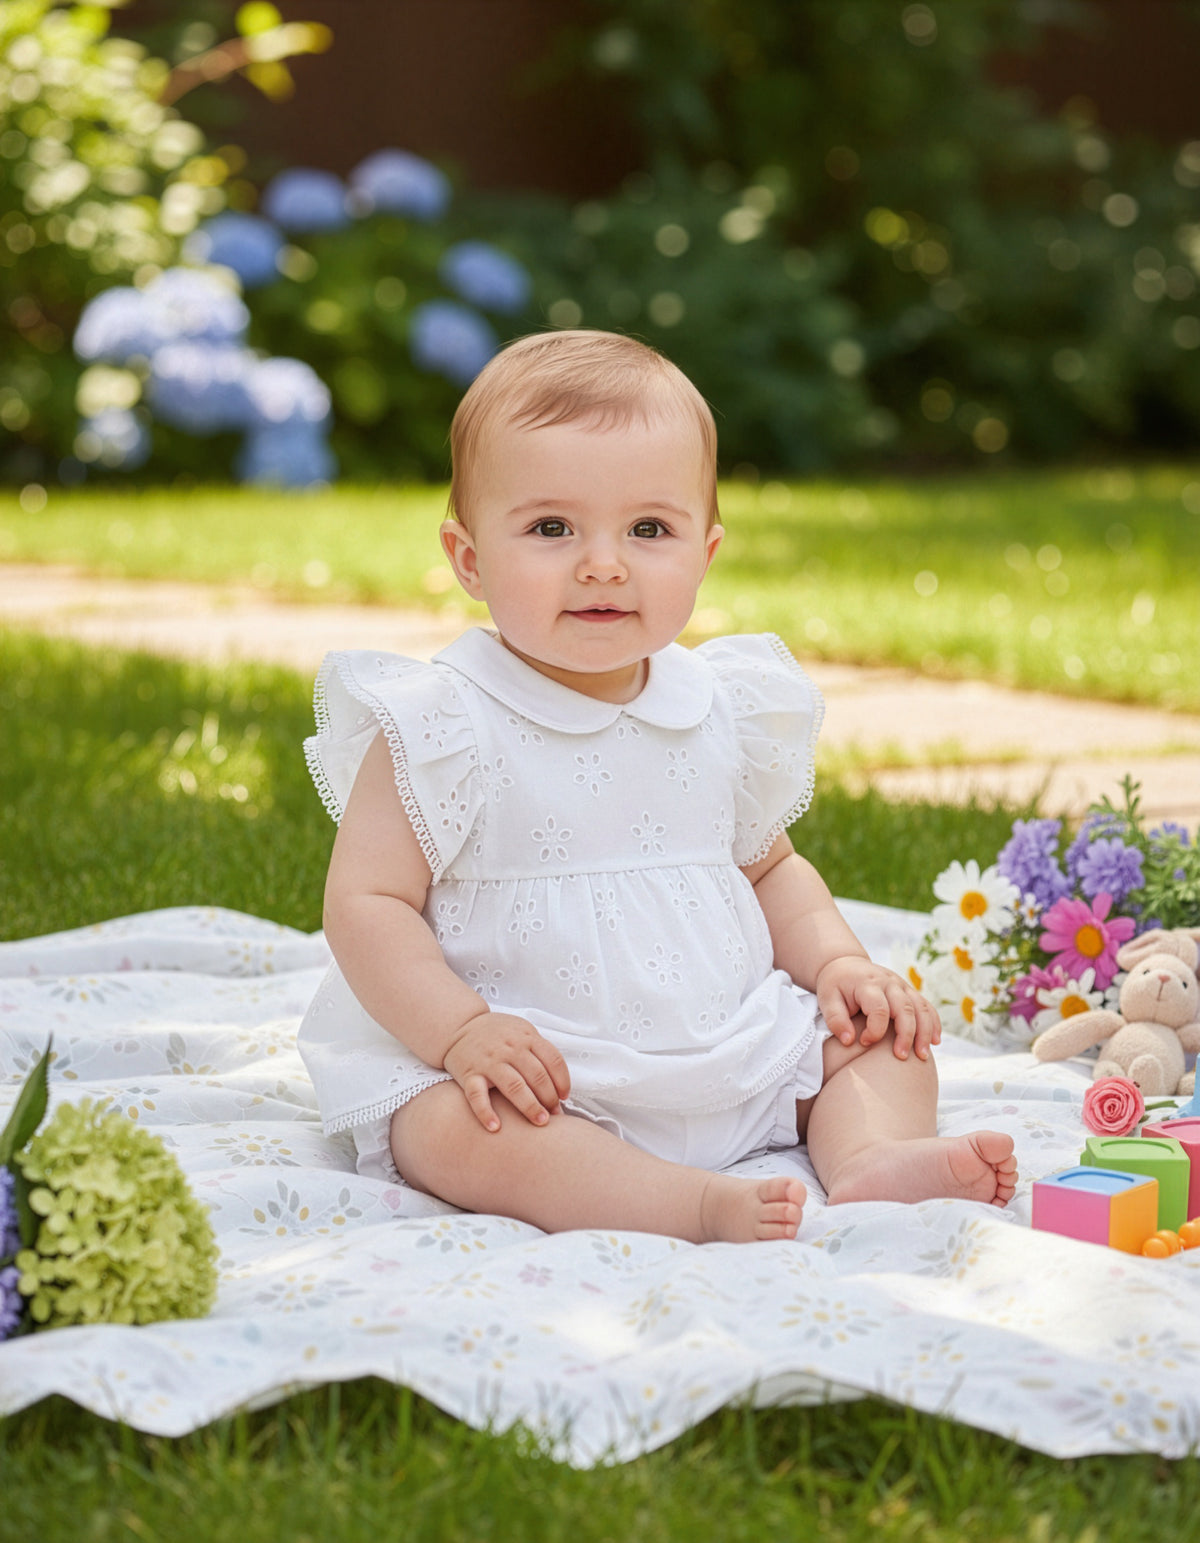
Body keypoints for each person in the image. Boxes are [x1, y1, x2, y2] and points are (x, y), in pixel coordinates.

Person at [298, 329, 1017, 1244]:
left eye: (648, 530)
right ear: (468, 557)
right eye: (552, 529)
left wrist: (840, 964)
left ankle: (871, 1155)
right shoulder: (443, 720)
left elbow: (770, 869)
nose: (603, 563)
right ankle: (683, 1203)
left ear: (704, 553)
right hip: (539, 1066)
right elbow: (367, 902)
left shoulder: (720, 703)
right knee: (451, 1130)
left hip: (733, 1041)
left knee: (885, 1039)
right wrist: (459, 1031)